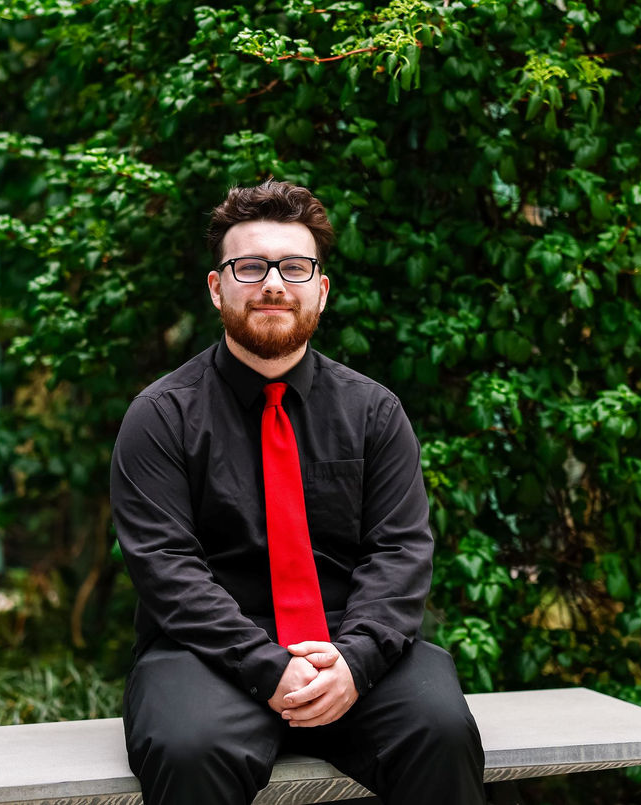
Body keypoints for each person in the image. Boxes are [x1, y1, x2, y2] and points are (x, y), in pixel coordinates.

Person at [111, 179, 487, 805]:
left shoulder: (374, 412)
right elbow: (166, 570)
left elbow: (399, 553)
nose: (273, 284)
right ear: (216, 287)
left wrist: (355, 661)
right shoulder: (161, 415)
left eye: (294, 266)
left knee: (440, 729)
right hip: (204, 652)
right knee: (188, 749)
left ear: (321, 290)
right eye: (250, 266)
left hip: (352, 643)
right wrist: (269, 667)